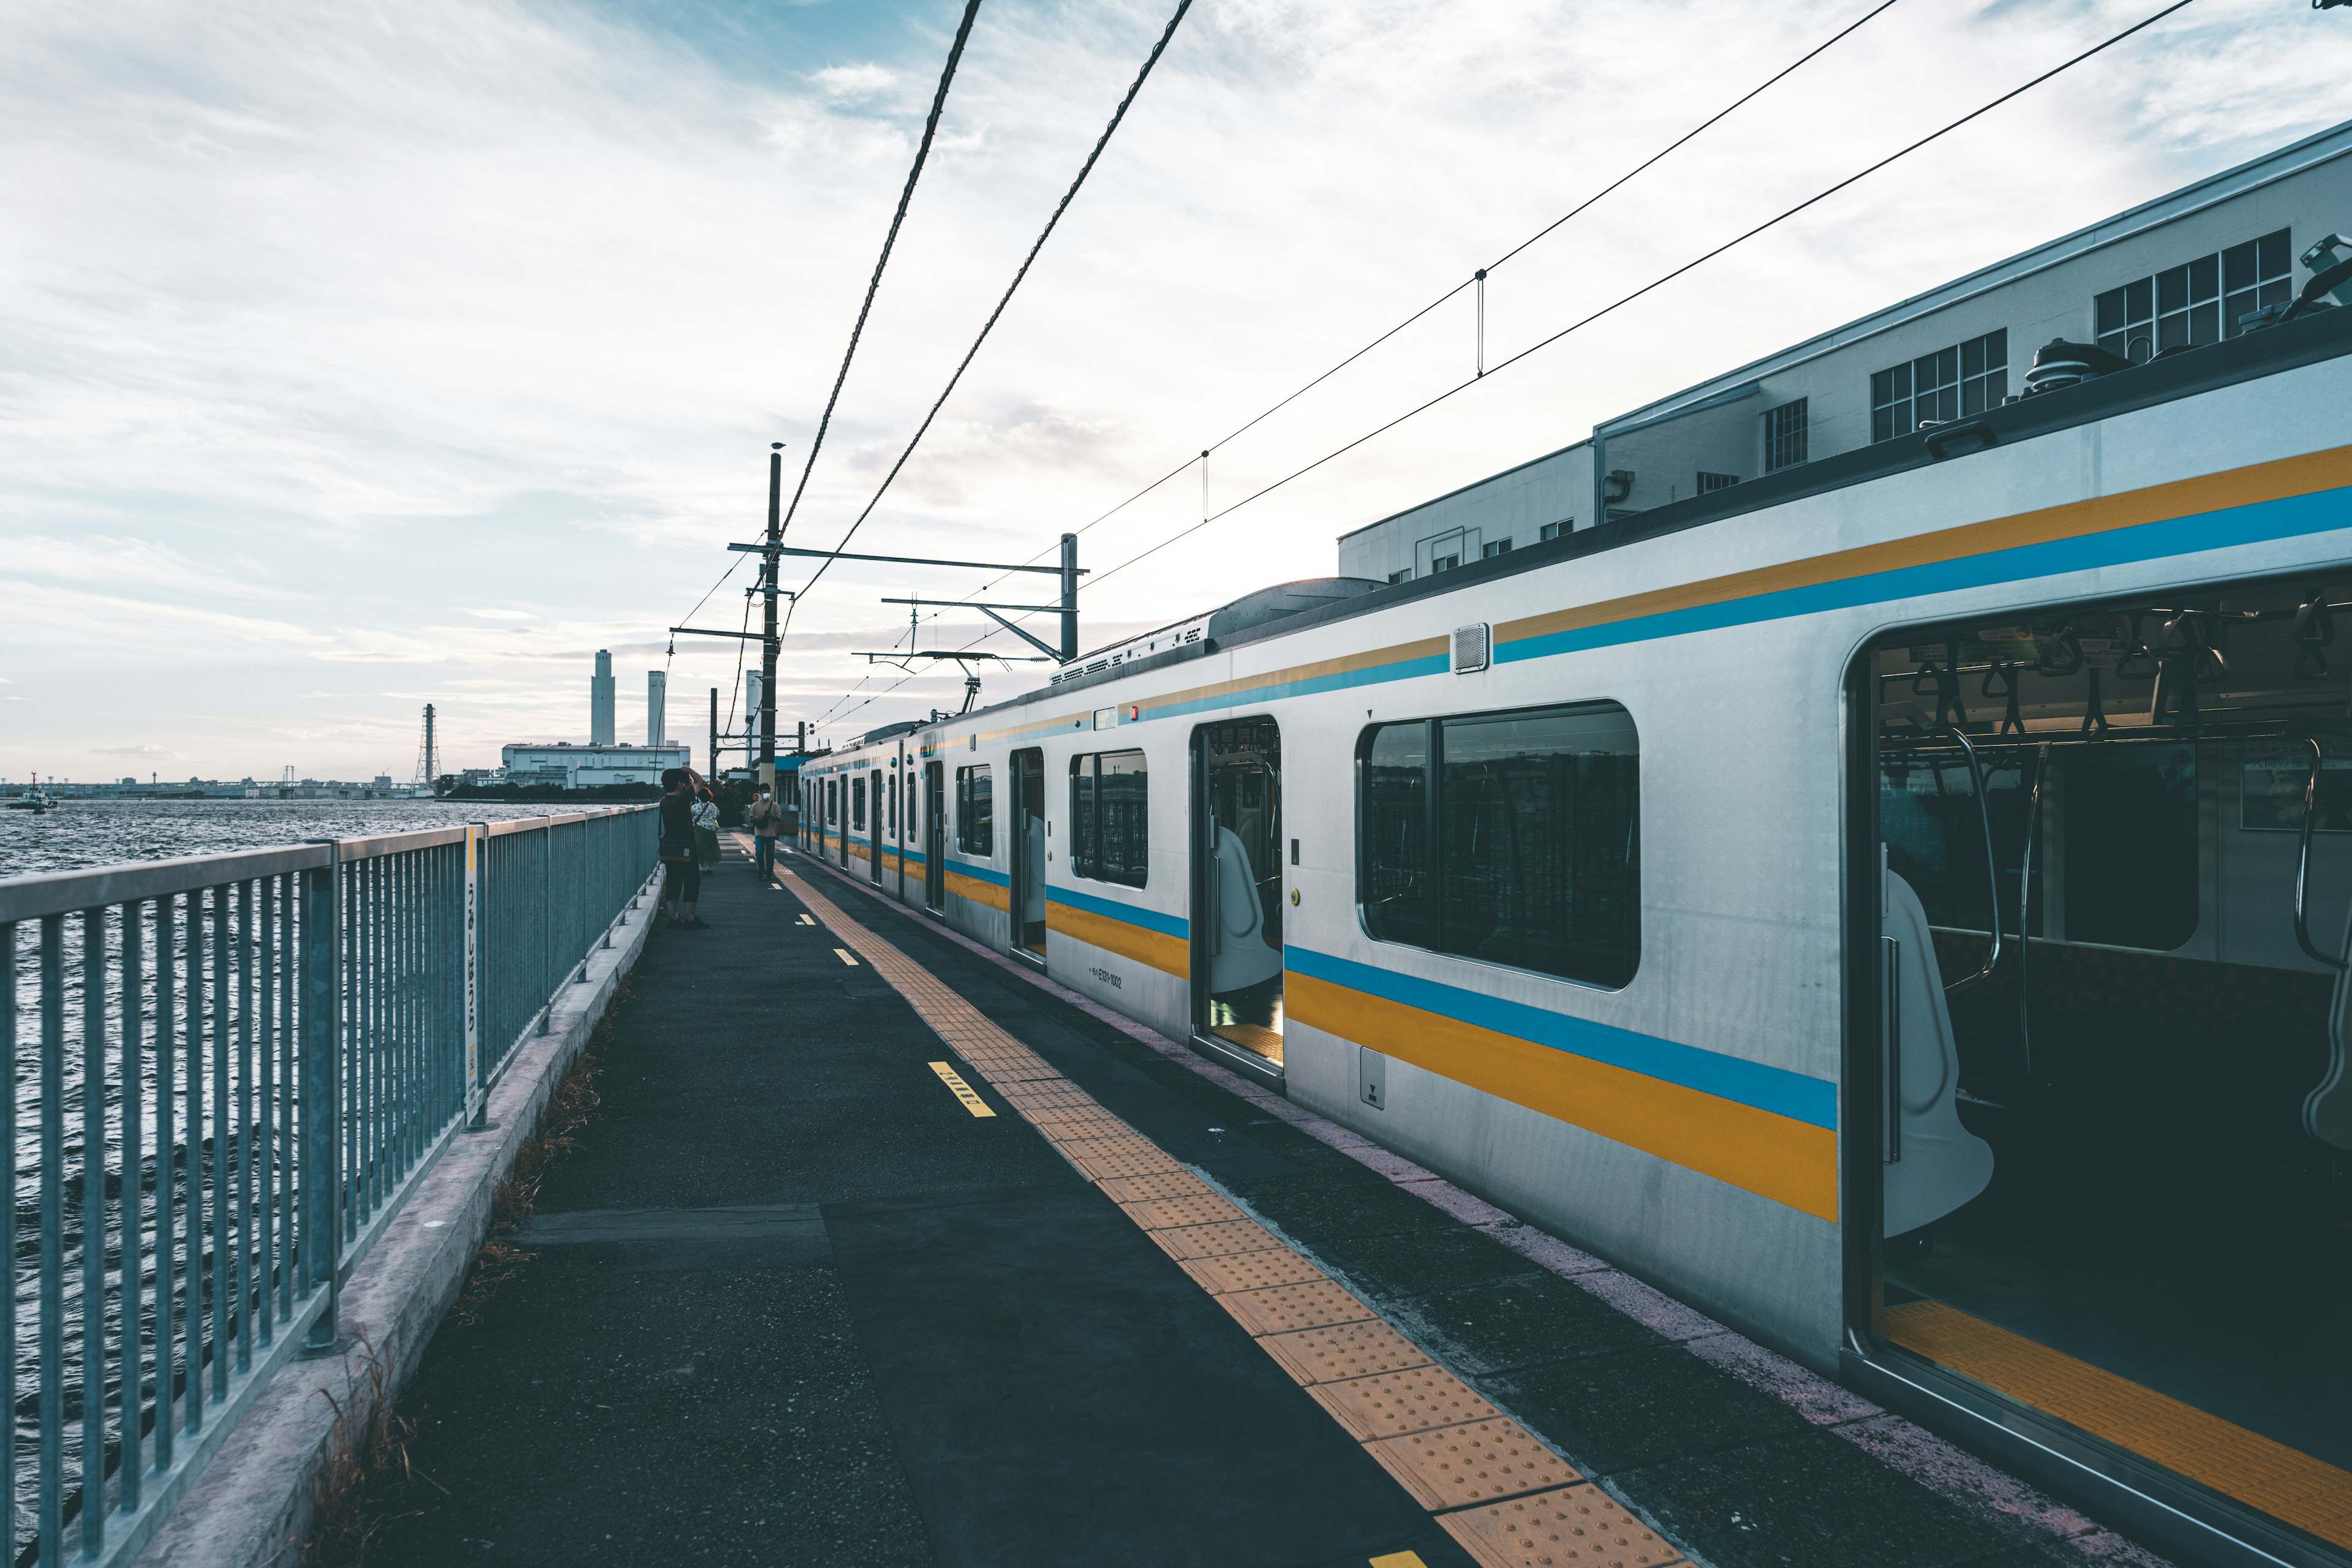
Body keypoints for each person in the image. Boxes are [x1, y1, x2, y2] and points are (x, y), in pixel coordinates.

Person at [658, 768, 707, 930]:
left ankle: (673, 917)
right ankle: (691, 918)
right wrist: (687, 770)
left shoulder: (664, 801)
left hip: (671, 849)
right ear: (680, 783)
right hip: (686, 848)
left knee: (673, 882)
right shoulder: (683, 798)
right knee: (692, 882)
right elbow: (701, 782)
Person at [745, 783, 783, 879]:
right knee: (759, 851)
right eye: (765, 792)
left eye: (768, 792)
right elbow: (751, 819)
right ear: (760, 793)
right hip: (759, 833)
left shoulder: (774, 805)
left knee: (771, 854)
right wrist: (758, 817)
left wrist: (770, 816)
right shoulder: (755, 806)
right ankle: (761, 871)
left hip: (771, 833)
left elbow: (779, 818)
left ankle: (769, 873)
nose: (767, 794)